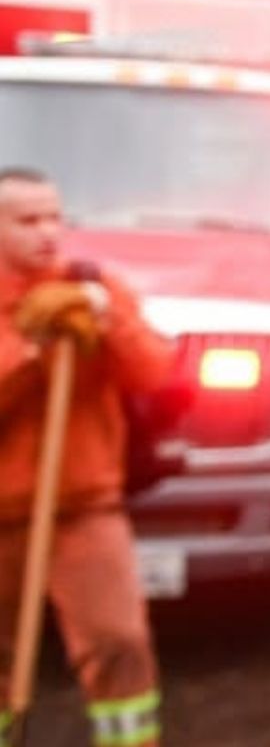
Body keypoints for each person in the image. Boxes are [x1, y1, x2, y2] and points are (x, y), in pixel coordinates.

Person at [0, 167, 174, 747]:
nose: (48, 232)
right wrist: (31, 350)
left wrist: (107, 318)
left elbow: (154, 371)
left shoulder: (93, 287)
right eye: (28, 220)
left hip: (84, 504)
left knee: (119, 640)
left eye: (55, 217)